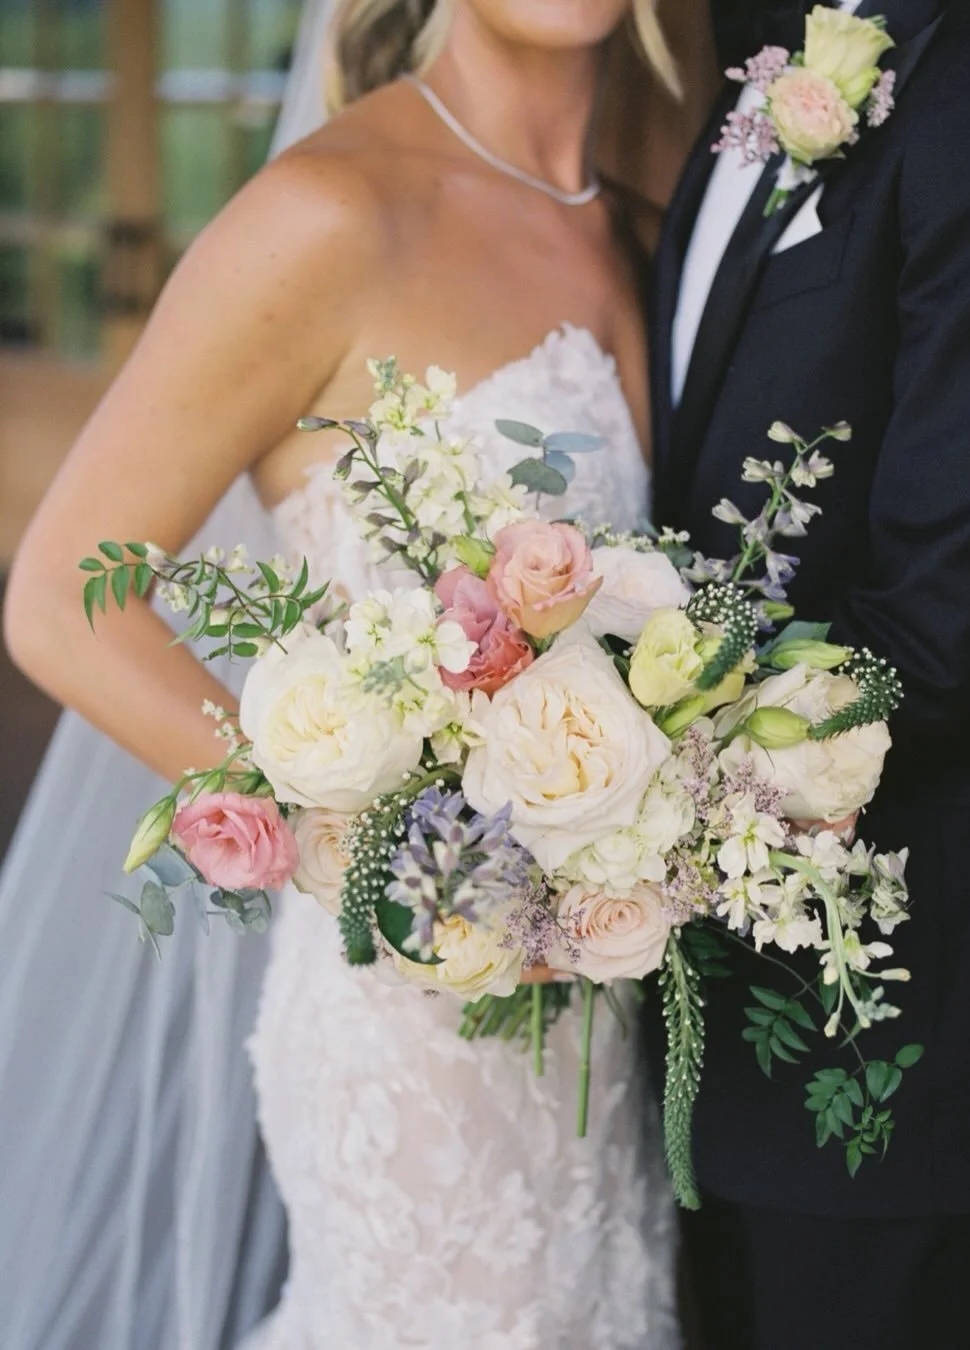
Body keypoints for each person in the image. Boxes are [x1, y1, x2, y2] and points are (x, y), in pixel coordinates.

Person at [2, 2, 700, 1347]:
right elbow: (61, 602)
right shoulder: (328, 214)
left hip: (615, 1023)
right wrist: (365, 851)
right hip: (413, 1034)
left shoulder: (650, 233)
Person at [650, 0, 970, 1346]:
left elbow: (959, 617)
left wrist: (616, 775)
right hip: (704, 1010)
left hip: (902, 1020)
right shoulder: (753, 49)